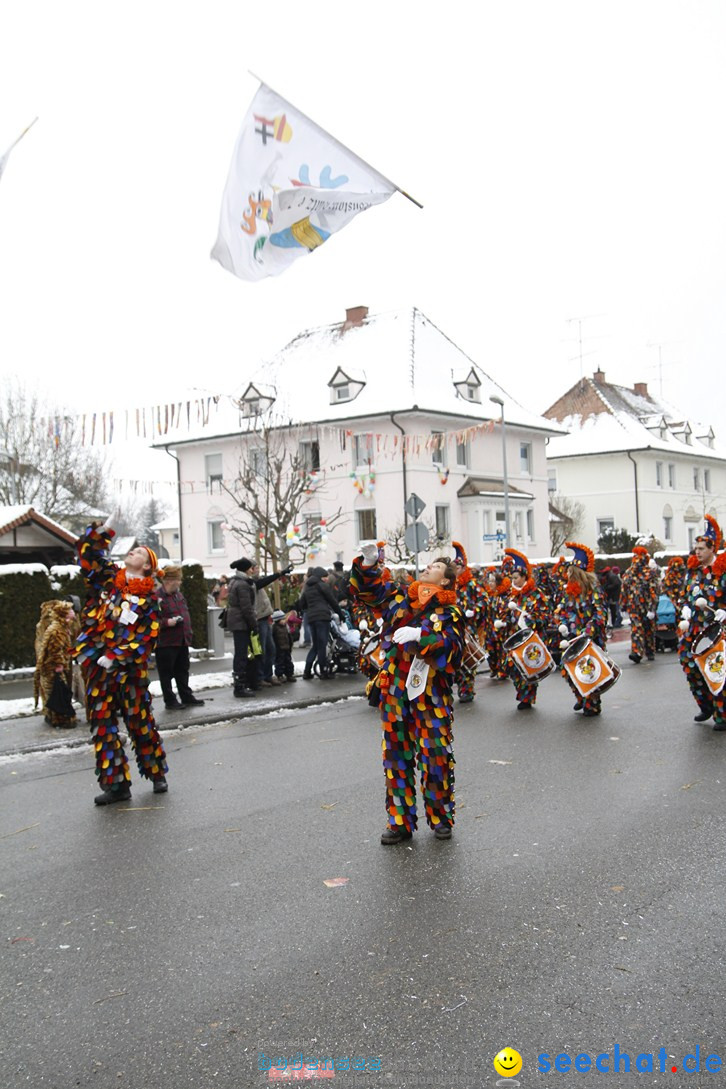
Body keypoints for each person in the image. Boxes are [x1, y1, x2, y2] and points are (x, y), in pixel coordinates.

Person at [350, 545, 464, 845]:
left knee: (436, 757)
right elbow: (370, 592)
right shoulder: (400, 598)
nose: (427, 568)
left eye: (435, 568)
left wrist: (421, 636)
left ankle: (440, 818)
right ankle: (400, 822)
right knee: (396, 759)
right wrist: (369, 564)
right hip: (395, 694)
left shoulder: (450, 611)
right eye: (427, 565)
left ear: (445, 582)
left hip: (431, 697)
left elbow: (454, 648)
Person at [74, 525, 168, 805]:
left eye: (139, 552)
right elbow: (87, 557)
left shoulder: (150, 599)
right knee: (102, 725)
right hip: (98, 668)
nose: (133, 551)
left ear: (149, 567)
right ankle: (116, 786)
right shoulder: (107, 581)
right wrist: (99, 533)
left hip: (129, 671)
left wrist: (117, 656)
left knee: (139, 722)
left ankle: (156, 773)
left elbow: (147, 636)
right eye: (133, 549)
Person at [677, 515, 726, 730]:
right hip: (694, 628)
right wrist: (685, 607)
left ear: (712, 549)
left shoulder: (722, 571)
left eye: (702, 548)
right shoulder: (693, 572)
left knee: (717, 669)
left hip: (717, 630)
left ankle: (722, 715)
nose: (697, 551)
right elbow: (685, 595)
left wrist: (724, 611)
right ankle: (706, 705)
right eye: (696, 548)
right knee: (689, 664)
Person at [554, 541, 609, 718]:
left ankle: (592, 705)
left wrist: (588, 631)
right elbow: (561, 610)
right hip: (571, 637)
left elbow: (600, 613)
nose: (567, 575)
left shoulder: (594, 589)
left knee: (589, 670)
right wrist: (562, 623)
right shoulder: (568, 591)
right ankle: (580, 696)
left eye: (570, 572)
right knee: (568, 670)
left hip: (590, 638)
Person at [501, 548, 550, 710]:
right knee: (510, 665)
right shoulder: (512, 595)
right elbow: (506, 614)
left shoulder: (537, 594)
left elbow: (544, 616)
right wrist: (503, 620)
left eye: (516, 578)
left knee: (527, 667)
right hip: (515, 638)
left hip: (531, 638)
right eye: (512, 578)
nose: (513, 581)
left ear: (524, 577)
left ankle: (527, 697)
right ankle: (524, 694)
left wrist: (528, 620)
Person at [155, 565, 205, 708]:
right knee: (166, 673)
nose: (180, 582)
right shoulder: (157, 598)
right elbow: (151, 621)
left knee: (182, 671)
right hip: (166, 642)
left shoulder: (179, 595)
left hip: (182, 640)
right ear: (169, 580)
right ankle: (170, 701)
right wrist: (166, 622)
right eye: (178, 580)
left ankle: (186, 697)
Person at [34, 600, 78, 727]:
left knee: (54, 691)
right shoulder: (57, 630)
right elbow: (55, 649)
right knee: (57, 692)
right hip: (52, 667)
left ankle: (53, 717)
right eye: (70, 611)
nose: (73, 612)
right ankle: (60, 720)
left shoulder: (61, 627)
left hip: (51, 666)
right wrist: (59, 665)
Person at [296, 566, 343, 679]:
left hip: (312, 619)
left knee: (315, 646)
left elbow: (301, 604)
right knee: (322, 645)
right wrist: (340, 614)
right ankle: (323, 671)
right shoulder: (323, 586)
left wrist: (309, 610)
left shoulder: (307, 587)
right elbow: (332, 602)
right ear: (320, 577)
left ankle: (307, 671)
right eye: (325, 576)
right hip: (322, 618)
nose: (327, 579)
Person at [620, 546, 659, 663]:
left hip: (646, 606)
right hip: (634, 607)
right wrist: (623, 605)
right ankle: (637, 652)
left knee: (649, 629)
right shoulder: (628, 573)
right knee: (636, 629)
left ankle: (650, 650)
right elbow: (624, 589)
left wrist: (652, 608)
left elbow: (654, 592)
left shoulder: (650, 573)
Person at [227, 558, 259, 697]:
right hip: (241, 622)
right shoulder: (243, 584)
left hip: (237, 621)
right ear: (246, 569)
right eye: (251, 568)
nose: (253, 570)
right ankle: (239, 686)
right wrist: (254, 624)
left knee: (241, 653)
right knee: (241, 655)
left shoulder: (235, 581)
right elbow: (247, 608)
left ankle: (241, 683)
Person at [272, 609, 296, 682]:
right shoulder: (274, 628)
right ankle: (280, 675)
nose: (284, 621)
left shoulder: (286, 627)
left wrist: (291, 644)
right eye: (282, 619)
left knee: (288, 662)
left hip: (286, 648)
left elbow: (289, 636)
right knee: (279, 663)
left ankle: (289, 674)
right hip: (279, 648)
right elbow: (273, 638)